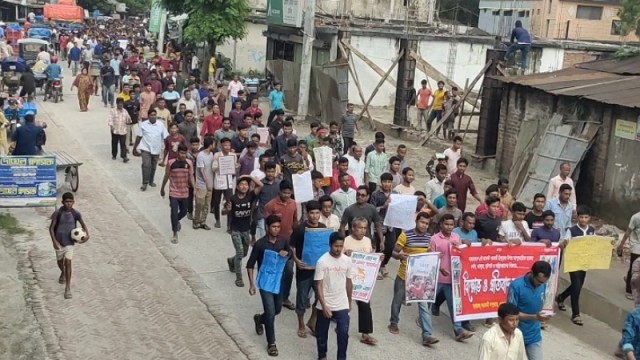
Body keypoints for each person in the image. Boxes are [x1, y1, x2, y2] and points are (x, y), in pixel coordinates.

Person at [388, 212, 440, 346]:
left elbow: (428, 254)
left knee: (423, 305)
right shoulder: (406, 235)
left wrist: (435, 258)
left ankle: (427, 335)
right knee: (397, 300)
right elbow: (393, 253)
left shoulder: (429, 237)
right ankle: (394, 323)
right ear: (416, 221)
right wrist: (399, 256)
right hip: (404, 274)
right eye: (422, 222)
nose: (424, 225)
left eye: (427, 224)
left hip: (421, 277)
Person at [247, 215, 291, 357]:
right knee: (271, 312)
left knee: (277, 309)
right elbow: (250, 264)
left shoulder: (283, 241)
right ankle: (271, 343)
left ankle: (259, 319)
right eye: (273, 227)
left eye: (278, 227)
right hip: (265, 282)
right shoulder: (260, 244)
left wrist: (287, 253)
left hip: (278, 281)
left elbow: (290, 253)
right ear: (267, 227)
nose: (276, 229)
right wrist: (252, 284)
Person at [431, 213, 474, 340]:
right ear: (441, 224)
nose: (449, 227)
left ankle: (459, 330)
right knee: (428, 302)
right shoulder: (434, 239)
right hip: (437, 277)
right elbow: (431, 258)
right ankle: (423, 320)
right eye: (446, 224)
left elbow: (462, 255)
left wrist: (463, 245)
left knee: (455, 306)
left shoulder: (456, 237)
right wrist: (439, 268)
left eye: (451, 225)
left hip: (452, 279)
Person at [290, 201, 327, 338]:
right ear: (307, 214)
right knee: (302, 298)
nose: (314, 216)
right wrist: (296, 260)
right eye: (312, 213)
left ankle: (312, 320)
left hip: (319, 271)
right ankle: (300, 323)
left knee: (319, 298)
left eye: (317, 213)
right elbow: (291, 246)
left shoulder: (323, 228)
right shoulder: (300, 229)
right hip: (304, 270)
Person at [315, 232, 353, 360]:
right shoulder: (322, 261)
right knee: (321, 333)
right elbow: (319, 285)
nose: (338, 249)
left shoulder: (347, 261)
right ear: (330, 245)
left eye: (341, 246)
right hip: (325, 304)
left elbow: (349, 282)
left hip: (342, 304)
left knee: (343, 333)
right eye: (336, 246)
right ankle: (322, 356)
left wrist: (349, 302)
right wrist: (324, 306)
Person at [556, 205, 595, 326]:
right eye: (581, 217)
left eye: (586, 217)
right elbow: (564, 244)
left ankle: (561, 297)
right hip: (573, 261)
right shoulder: (571, 230)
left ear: (589, 218)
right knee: (577, 287)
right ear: (577, 217)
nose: (583, 219)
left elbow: (594, 244)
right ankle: (576, 314)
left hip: (584, 262)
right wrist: (564, 244)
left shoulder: (591, 230)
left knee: (577, 285)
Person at [343, 217, 379, 345]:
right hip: (347, 278)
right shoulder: (346, 241)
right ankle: (341, 327)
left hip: (362, 280)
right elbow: (337, 257)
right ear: (353, 228)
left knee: (365, 304)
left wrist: (378, 259)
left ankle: (365, 333)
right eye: (359, 228)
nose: (362, 231)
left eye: (365, 228)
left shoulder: (367, 241)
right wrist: (345, 254)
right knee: (344, 304)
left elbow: (369, 258)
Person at [48, 192, 90, 299]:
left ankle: (67, 288)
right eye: (67, 202)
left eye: (71, 202)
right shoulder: (58, 213)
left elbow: (83, 224)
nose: (69, 204)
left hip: (69, 243)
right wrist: (54, 241)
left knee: (68, 262)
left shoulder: (76, 213)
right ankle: (62, 271)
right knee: (60, 261)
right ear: (62, 202)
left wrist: (87, 235)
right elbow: (51, 228)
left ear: (73, 202)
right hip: (59, 242)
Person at [507, 261, 552, 360]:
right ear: (532, 273)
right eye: (539, 281)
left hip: (534, 337)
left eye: (543, 282)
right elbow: (511, 314)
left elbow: (540, 307)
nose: (540, 284)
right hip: (515, 335)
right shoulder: (516, 286)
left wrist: (545, 316)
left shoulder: (543, 286)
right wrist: (535, 317)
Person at [226, 175, 263, 287]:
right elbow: (224, 211)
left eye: (246, 184)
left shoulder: (250, 196)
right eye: (241, 184)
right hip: (235, 229)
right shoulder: (232, 198)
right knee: (240, 252)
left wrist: (248, 176)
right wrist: (227, 210)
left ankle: (232, 261)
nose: (244, 186)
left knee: (245, 253)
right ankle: (239, 278)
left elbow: (260, 185)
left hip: (246, 229)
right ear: (237, 187)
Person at [160, 144, 194, 243]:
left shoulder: (189, 163)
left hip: (185, 192)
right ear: (178, 152)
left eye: (185, 153)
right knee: (174, 212)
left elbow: (191, 176)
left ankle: (176, 220)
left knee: (183, 211)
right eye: (181, 153)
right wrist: (162, 188)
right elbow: (166, 175)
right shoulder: (171, 163)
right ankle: (175, 233)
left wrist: (194, 188)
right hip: (173, 192)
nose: (183, 155)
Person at [132, 109, 169, 191]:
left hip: (156, 148)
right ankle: (144, 183)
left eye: (154, 115)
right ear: (148, 116)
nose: (153, 116)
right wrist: (135, 148)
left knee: (153, 166)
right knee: (146, 164)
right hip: (145, 148)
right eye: (151, 115)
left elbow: (166, 137)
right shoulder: (143, 125)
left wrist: (168, 147)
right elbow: (139, 137)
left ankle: (151, 180)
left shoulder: (160, 125)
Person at [193, 137, 215, 230]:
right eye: (213, 144)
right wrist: (207, 183)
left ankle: (203, 221)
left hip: (210, 183)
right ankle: (196, 221)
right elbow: (201, 171)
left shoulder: (211, 154)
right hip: (202, 184)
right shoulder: (201, 156)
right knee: (199, 203)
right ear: (210, 145)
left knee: (207, 204)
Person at [618, 211, 640, 300]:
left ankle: (628, 280)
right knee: (634, 268)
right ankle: (629, 290)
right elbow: (628, 232)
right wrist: (621, 245)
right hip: (636, 247)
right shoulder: (635, 217)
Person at [108, 98, 131, 163]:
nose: (120, 105)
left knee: (123, 144)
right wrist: (111, 126)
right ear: (117, 104)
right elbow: (110, 119)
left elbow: (128, 119)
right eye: (119, 104)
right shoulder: (112, 111)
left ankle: (124, 157)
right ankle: (114, 155)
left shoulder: (125, 111)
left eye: (122, 104)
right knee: (114, 143)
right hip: (115, 130)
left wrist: (129, 120)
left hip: (123, 130)